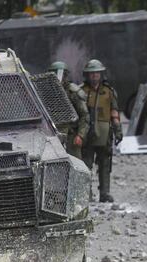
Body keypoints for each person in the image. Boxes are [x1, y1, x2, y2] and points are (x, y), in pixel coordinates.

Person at [81, 59, 123, 203]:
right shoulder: (81, 91)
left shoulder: (109, 91)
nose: (94, 76)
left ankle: (104, 192)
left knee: (105, 163)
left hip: (105, 133)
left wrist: (118, 129)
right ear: (87, 75)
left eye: (97, 73)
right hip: (87, 132)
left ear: (101, 74)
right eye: (92, 74)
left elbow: (114, 111)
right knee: (86, 164)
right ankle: (87, 193)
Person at [48, 61, 90, 160]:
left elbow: (85, 115)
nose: (58, 77)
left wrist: (80, 135)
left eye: (61, 74)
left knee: (76, 164)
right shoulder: (45, 91)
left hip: (71, 135)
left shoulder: (73, 92)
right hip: (53, 135)